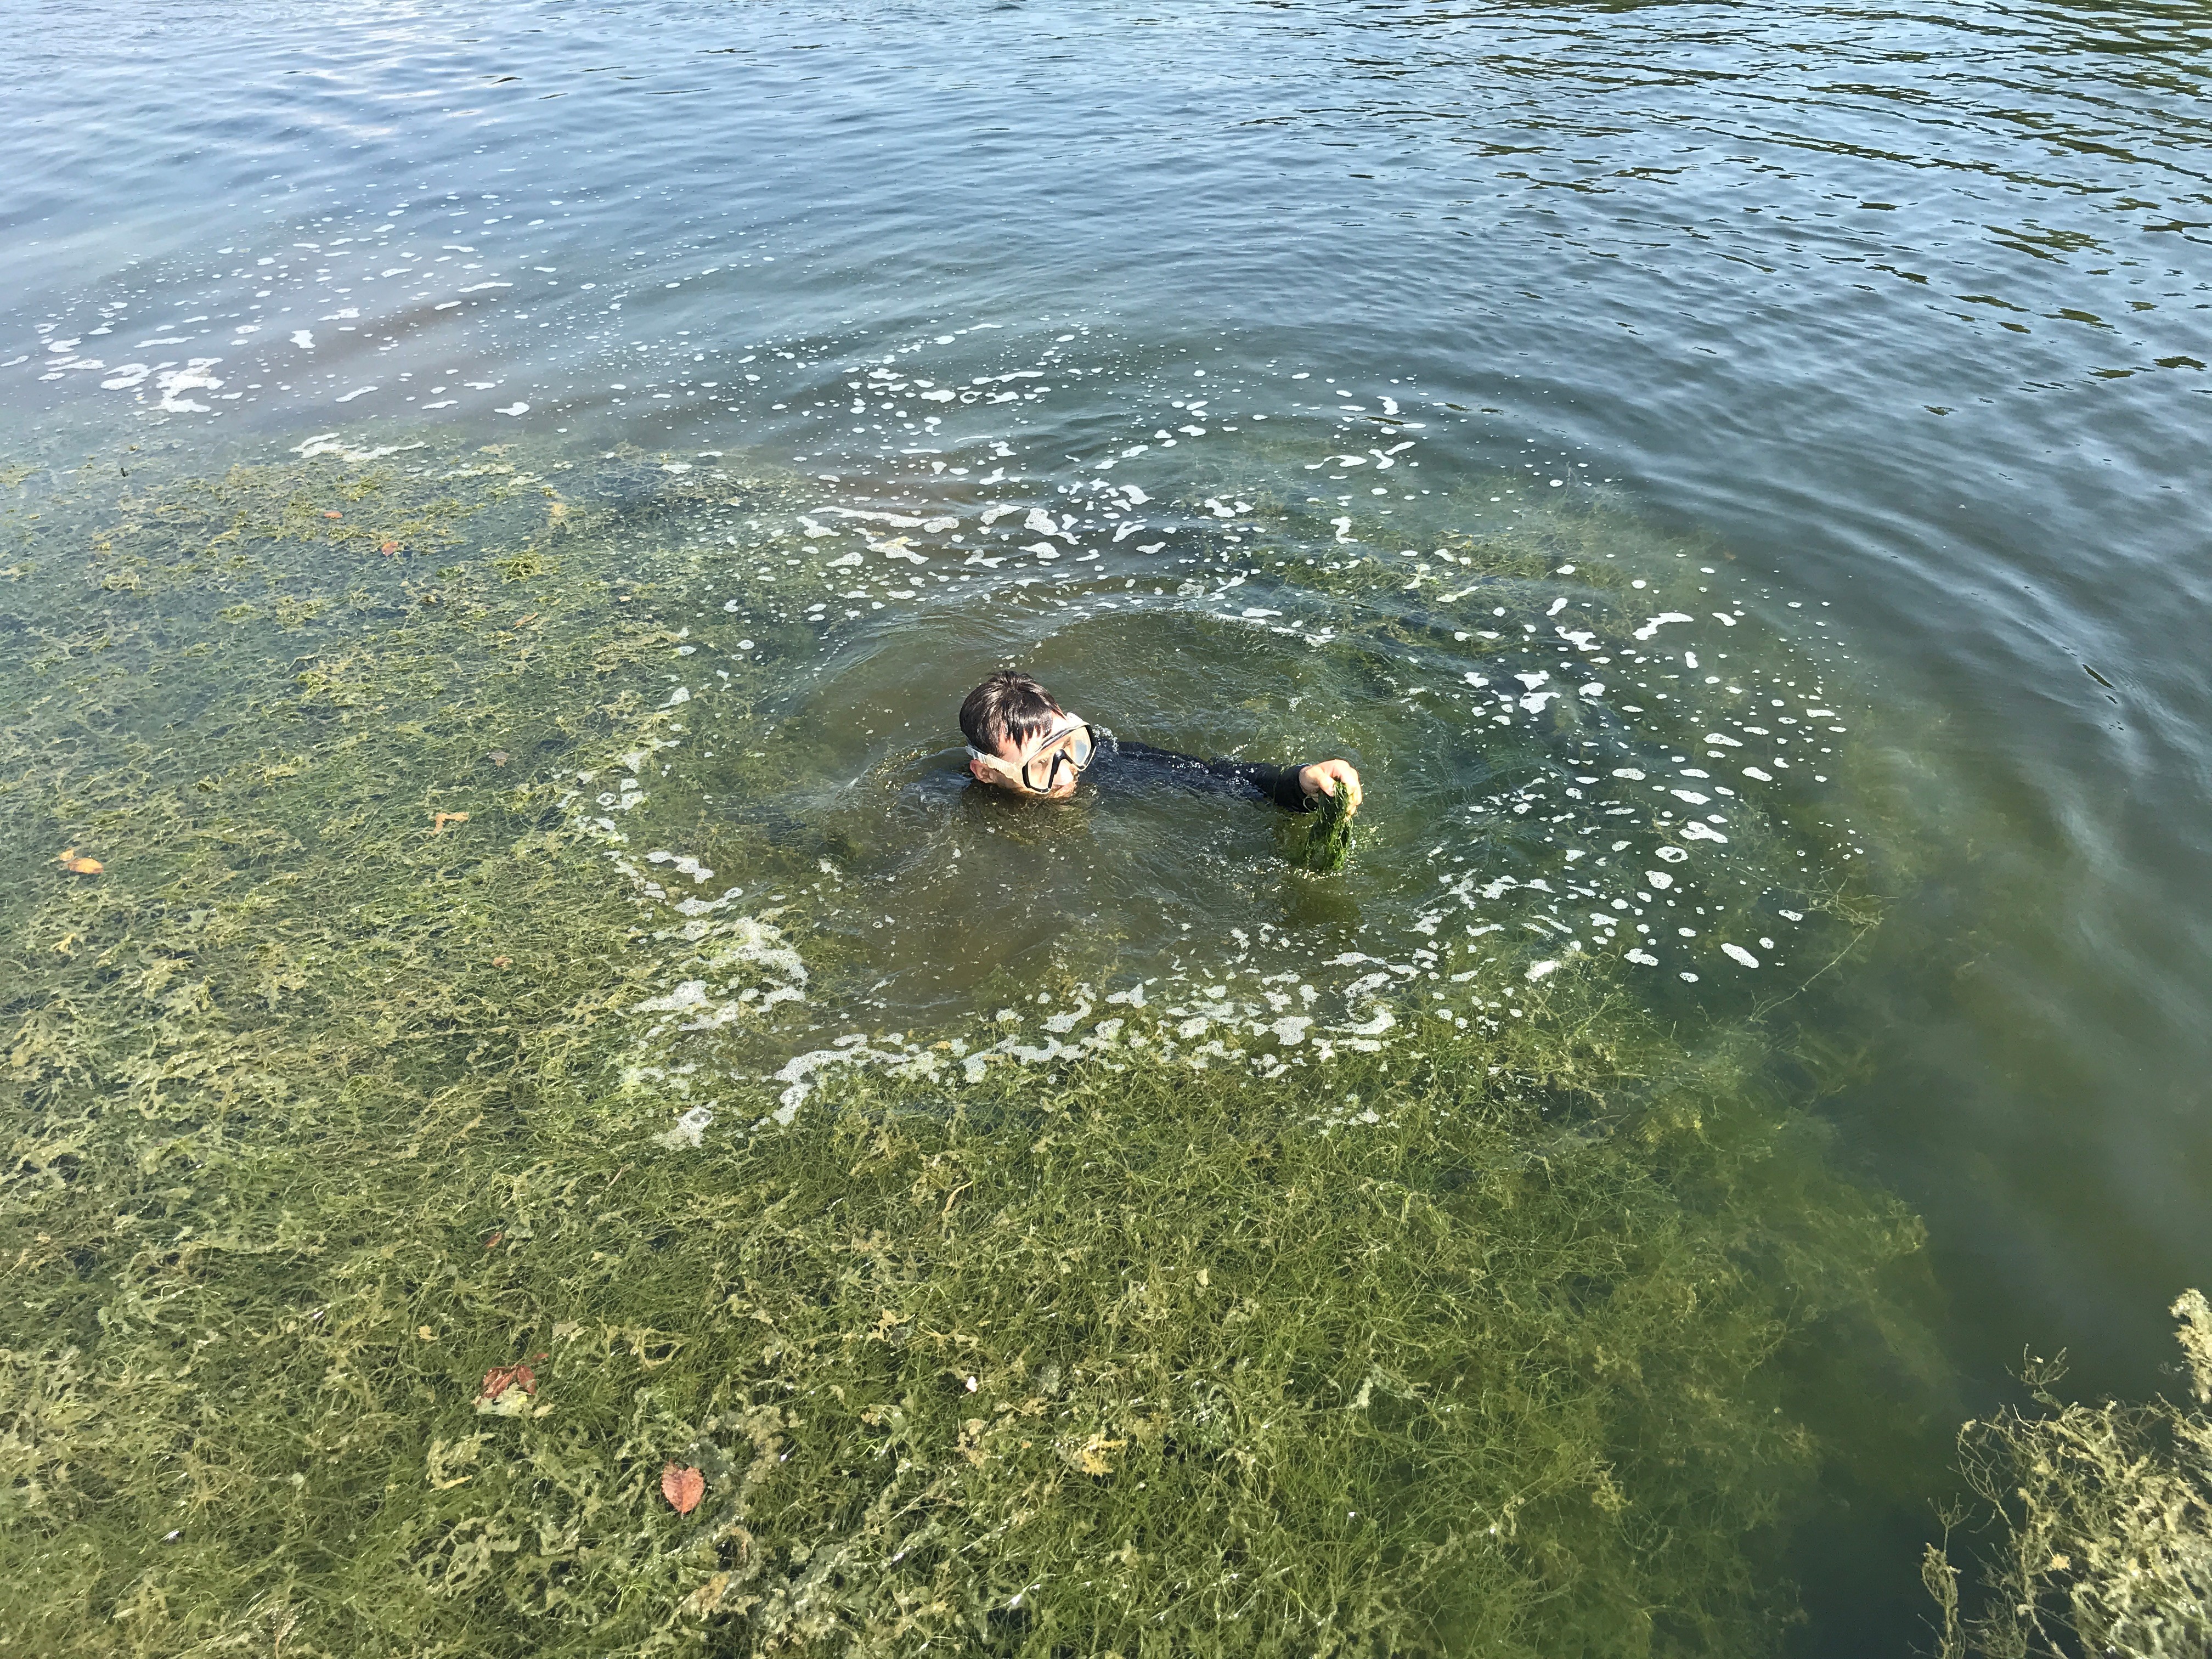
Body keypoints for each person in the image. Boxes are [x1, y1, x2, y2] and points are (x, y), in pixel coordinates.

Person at [959, 669, 1362, 814]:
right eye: (1042, 767)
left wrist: (1300, 783)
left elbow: (1214, 777)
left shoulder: (1105, 763)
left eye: (1071, 748)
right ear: (986, 773)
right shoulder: (953, 806)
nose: (1068, 776)